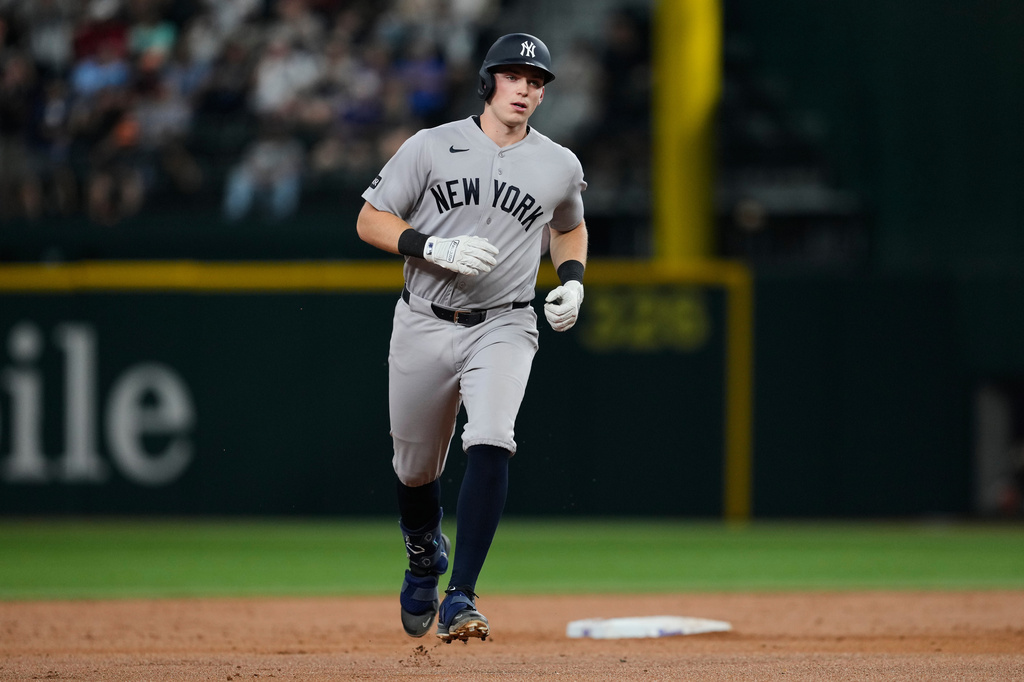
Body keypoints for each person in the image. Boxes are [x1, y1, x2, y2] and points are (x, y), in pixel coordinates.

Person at [356, 32, 588, 643]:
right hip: (424, 318)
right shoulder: (432, 146)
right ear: (489, 81)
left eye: (536, 81)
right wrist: (427, 244)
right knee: (413, 469)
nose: (526, 88)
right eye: (515, 76)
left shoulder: (559, 162)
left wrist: (573, 280)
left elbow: (570, 226)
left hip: (507, 321)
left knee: (491, 436)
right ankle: (424, 552)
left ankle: (462, 594)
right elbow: (370, 219)